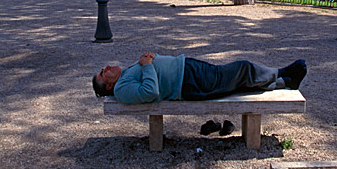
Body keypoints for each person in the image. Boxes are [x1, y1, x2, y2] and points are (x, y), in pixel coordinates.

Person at [92, 53, 307, 104]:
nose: (107, 67)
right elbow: (151, 91)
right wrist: (148, 65)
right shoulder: (121, 91)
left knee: (235, 81)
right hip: (188, 82)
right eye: (104, 72)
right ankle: (282, 72)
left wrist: (152, 59)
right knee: (241, 69)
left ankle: (286, 83)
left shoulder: (123, 78)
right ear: (109, 86)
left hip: (188, 70)